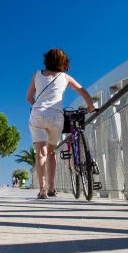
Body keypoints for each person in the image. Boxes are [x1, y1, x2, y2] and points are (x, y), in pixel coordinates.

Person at [27, 48, 96, 199]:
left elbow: (29, 97)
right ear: (63, 62)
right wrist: (90, 107)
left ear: (46, 60)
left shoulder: (37, 74)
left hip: (37, 115)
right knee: (51, 152)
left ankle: (42, 189)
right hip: (56, 117)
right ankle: (51, 188)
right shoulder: (64, 77)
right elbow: (82, 91)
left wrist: (38, 107)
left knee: (40, 152)